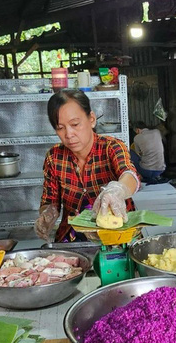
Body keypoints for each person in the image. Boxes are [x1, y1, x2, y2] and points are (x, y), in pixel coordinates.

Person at [36, 90, 141, 243]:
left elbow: (129, 174)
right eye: (60, 127)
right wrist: (47, 214)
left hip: (117, 233)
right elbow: (50, 200)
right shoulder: (54, 157)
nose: (69, 134)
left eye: (75, 124)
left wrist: (117, 190)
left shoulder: (111, 147)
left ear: (91, 119)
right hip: (73, 236)